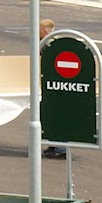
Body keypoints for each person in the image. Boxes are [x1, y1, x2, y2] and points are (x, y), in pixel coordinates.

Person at [40, 18, 68, 158]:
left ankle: (61, 148)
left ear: (44, 30)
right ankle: (54, 145)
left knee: (56, 116)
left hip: (54, 86)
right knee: (52, 116)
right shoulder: (53, 41)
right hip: (54, 85)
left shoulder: (49, 44)